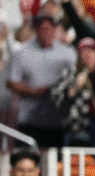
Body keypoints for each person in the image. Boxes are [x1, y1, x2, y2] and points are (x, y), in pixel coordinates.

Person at [5, 14, 78, 148]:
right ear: (36, 29)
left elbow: (75, 78)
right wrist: (33, 92)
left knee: (56, 164)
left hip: (57, 121)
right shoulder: (21, 51)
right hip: (28, 121)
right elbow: (11, 82)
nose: (46, 32)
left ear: (55, 29)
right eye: (43, 28)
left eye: (49, 28)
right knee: (27, 160)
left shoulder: (67, 53)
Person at [51, 37, 95, 147]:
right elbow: (56, 99)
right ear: (79, 54)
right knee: (77, 161)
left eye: (91, 51)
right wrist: (74, 87)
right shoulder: (70, 73)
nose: (88, 55)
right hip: (78, 127)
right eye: (84, 51)